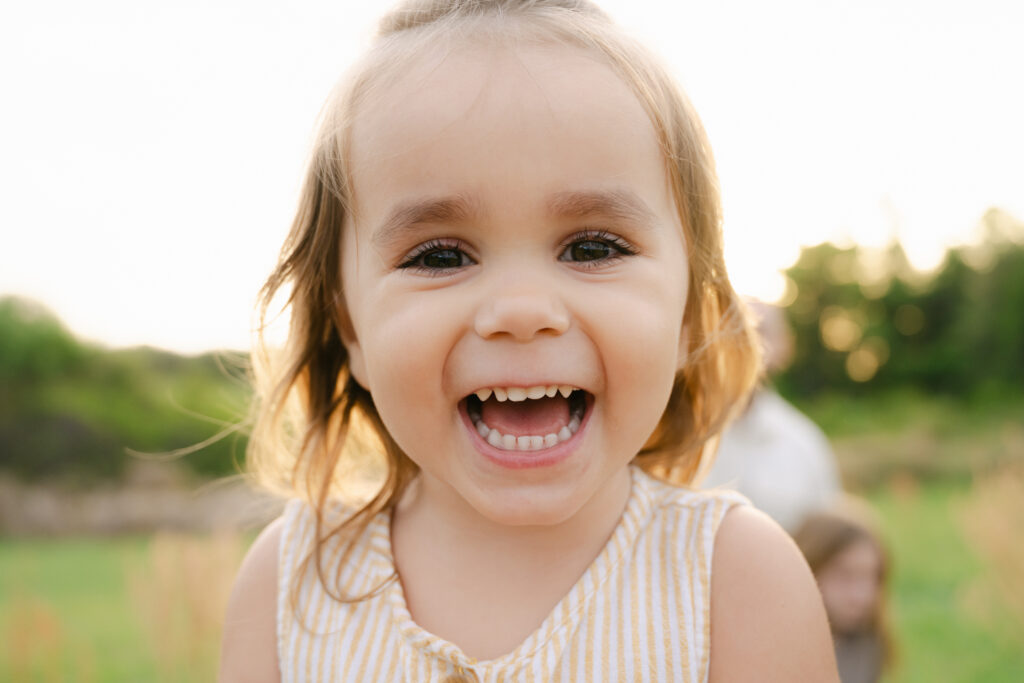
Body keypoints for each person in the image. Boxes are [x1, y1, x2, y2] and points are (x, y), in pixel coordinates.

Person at [219, 1, 839, 681]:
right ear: (350, 327)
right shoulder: (289, 585)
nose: (521, 311)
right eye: (440, 256)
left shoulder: (736, 584)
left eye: (593, 245)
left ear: (689, 309)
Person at [702, 303, 842, 533]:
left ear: (786, 346)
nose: (745, 341)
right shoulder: (671, 437)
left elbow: (827, 541)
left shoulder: (804, 442)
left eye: (761, 331)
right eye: (731, 330)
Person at [793, 502, 895, 683]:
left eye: (871, 576)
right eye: (844, 576)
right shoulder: (776, 646)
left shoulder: (867, 642)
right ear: (808, 568)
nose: (861, 596)